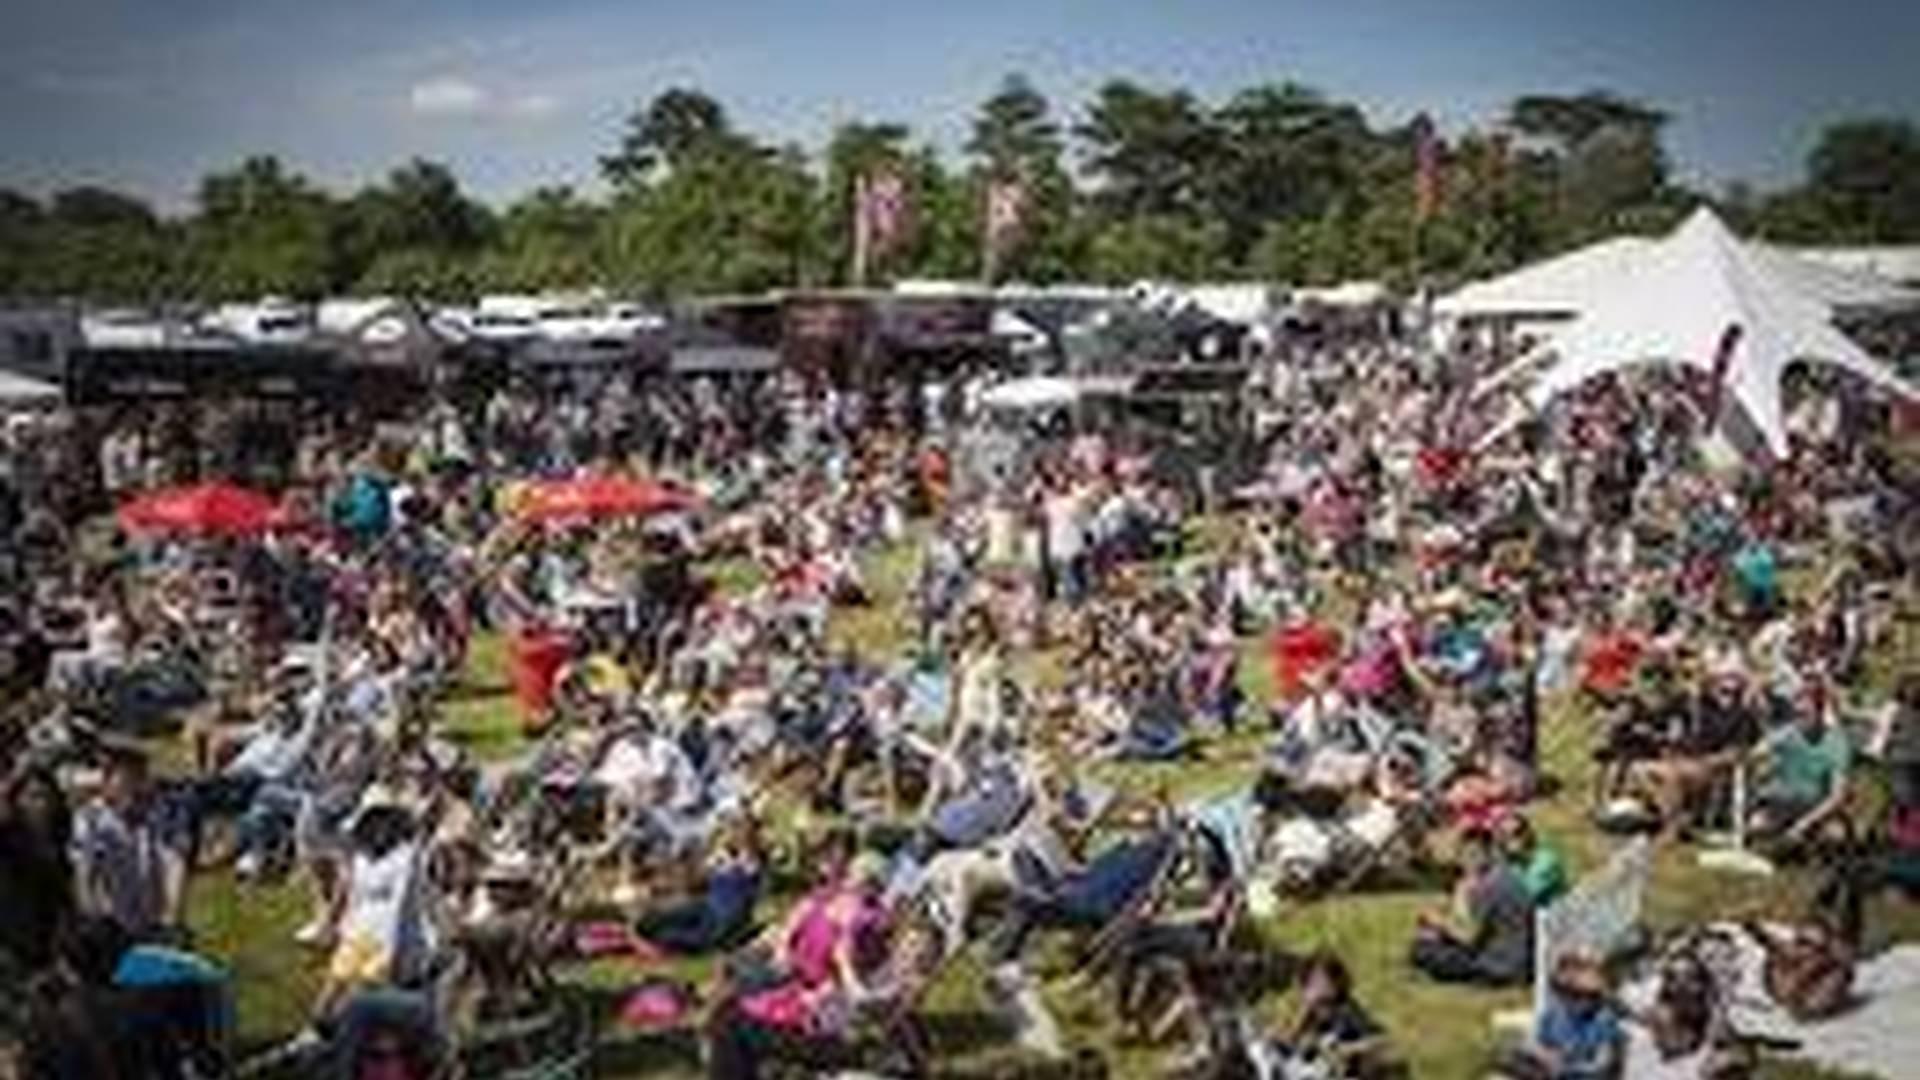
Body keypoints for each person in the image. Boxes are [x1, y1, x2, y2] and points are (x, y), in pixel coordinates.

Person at [70, 743, 185, 941]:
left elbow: (173, 862)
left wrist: (171, 915)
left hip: (155, 922)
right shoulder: (90, 818)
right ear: (106, 782)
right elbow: (85, 870)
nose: (131, 791)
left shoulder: (161, 812)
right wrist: (92, 914)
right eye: (123, 782)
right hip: (110, 926)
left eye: (137, 779)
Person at [1408, 828, 1534, 986]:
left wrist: (1438, 923)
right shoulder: (1509, 875)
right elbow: (1470, 923)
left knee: (1423, 949)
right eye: (1464, 855)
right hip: (1522, 963)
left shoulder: (1489, 885)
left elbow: (1468, 938)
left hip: (1498, 967)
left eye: (1473, 855)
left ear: (1489, 853)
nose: (1467, 861)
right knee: (1432, 941)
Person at [1748, 681, 1852, 848]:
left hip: (1816, 810)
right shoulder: (1787, 733)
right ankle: (1784, 840)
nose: (1800, 719)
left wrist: (1804, 825)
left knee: (1834, 836)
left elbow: (1837, 796)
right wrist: (1762, 764)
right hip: (1781, 806)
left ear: (1821, 713)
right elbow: (1756, 752)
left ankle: (1802, 841)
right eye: (1797, 714)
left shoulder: (1837, 742)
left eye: (1806, 714)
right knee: (1757, 826)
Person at [1499, 951, 1624, 1079]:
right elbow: (1538, 1043)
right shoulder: (1553, 1017)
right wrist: (1538, 1053)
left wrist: (1563, 1066)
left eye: (1589, 996)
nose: (1581, 1002)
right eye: (1571, 994)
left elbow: (1603, 1065)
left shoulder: (1606, 1022)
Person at [1272, 951, 1388, 1078]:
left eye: (1322, 981)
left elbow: (1381, 1042)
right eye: (1311, 983)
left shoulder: (1346, 1011)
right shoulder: (1306, 1013)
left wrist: (1347, 1049)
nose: (1317, 988)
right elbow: (1289, 1040)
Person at [1500, 813, 1568, 907]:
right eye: (1504, 834)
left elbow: (1528, 895)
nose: (1510, 838)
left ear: (1528, 833)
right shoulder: (1510, 867)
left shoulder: (1546, 860)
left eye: (1517, 832)